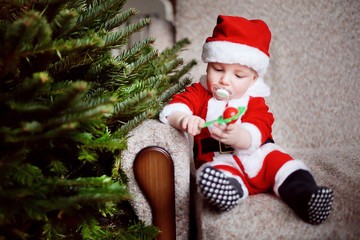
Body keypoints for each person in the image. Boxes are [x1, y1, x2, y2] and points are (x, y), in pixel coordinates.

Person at [159, 15, 334, 225]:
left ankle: (307, 198)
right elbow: (177, 106)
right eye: (218, 69)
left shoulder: (254, 100)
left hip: (259, 155)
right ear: (207, 66)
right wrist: (184, 119)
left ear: (253, 79)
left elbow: (261, 123)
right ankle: (227, 193)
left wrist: (240, 136)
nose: (224, 80)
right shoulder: (199, 92)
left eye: (238, 75)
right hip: (218, 158)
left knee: (284, 165)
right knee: (216, 174)